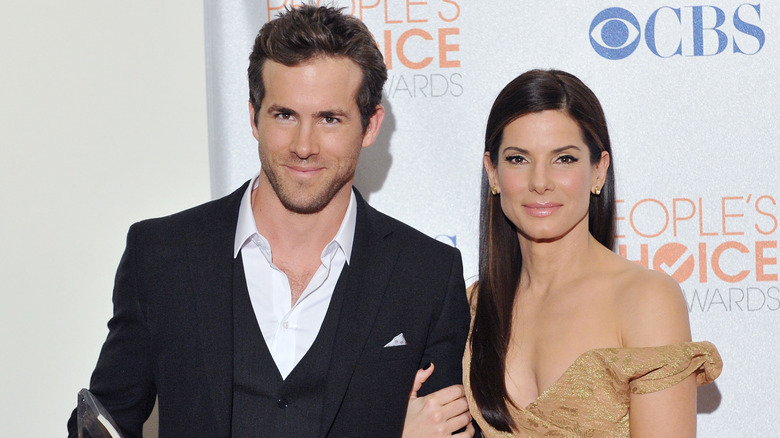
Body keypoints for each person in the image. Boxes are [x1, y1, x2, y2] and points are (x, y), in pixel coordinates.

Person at [67, 5, 472, 437]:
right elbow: (101, 424)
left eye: (329, 119)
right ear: (253, 116)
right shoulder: (163, 255)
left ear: (370, 125)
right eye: (285, 115)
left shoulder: (426, 274)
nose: (303, 146)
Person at [462, 69, 722, 436]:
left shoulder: (645, 298)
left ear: (598, 171)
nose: (540, 182)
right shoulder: (471, 308)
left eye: (563, 159)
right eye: (518, 159)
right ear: (492, 172)